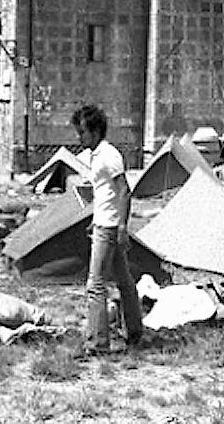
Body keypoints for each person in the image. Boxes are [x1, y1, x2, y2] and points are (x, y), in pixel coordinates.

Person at [71, 103, 144, 356]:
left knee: (96, 285)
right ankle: (134, 332)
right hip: (104, 223)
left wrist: (122, 226)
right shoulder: (96, 156)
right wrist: (96, 217)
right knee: (124, 281)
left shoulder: (109, 155)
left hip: (110, 228)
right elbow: (106, 194)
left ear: (95, 131)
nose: (78, 137)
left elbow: (124, 191)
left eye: (82, 132)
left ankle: (97, 343)